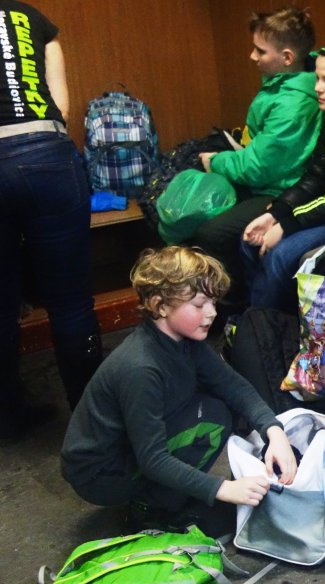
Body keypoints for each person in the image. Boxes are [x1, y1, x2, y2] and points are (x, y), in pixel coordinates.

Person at [61, 247, 297, 536]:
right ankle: (150, 510)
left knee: (217, 411)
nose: (212, 312)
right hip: (101, 475)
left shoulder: (183, 341)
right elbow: (153, 459)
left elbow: (233, 385)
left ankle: (165, 494)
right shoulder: (141, 368)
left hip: (124, 449)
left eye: (212, 301)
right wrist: (222, 488)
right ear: (160, 306)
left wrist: (275, 432)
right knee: (208, 424)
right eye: (199, 304)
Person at [0, 1, 103, 438]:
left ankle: (9, 417)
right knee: (71, 302)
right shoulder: (33, 18)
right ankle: (93, 423)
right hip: (45, 153)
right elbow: (60, 105)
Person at [192, 6, 322, 307]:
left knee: (212, 234)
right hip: (267, 180)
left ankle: (233, 311)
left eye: (260, 51)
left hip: (280, 189)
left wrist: (216, 162)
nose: (252, 57)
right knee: (195, 206)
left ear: (287, 57)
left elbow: (260, 166)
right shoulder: (281, 86)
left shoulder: (293, 104)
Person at [240, 37, 325, 312]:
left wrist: (287, 225)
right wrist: (276, 213)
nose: (318, 88)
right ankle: (259, 322)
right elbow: (316, 174)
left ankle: (266, 328)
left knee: (280, 256)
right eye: (317, 78)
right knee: (249, 242)